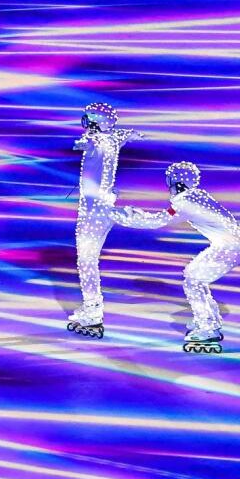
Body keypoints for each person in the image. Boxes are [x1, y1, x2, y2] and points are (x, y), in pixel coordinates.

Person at [113, 161, 240, 353]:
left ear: (176, 181)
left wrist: (127, 217)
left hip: (229, 247)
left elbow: (158, 221)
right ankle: (208, 319)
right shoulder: (199, 195)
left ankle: (208, 327)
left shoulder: (184, 201)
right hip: (235, 244)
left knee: (193, 281)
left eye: (169, 182)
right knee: (194, 276)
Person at [69, 102, 144, 336]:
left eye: (90, 120)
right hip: (101, 207)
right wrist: (131, 134)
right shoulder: (112, 138)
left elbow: (89, 142)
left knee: (86, 261)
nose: (85, 124)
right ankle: (91, 308)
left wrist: (85, 141)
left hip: (93, 212)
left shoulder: (98, 140)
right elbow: (120, 134)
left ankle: (92, 311)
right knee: (88, 260)